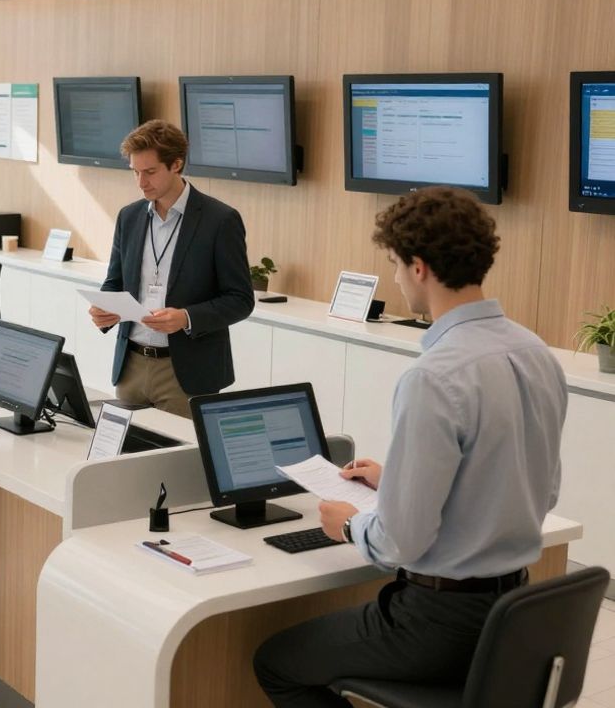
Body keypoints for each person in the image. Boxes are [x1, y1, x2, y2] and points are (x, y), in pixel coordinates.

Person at [253, 187, 567, 707]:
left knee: (277, 662)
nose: (396, 279)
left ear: (419, 267)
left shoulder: (435, 376)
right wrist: (396, 477)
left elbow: (403, 539)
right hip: (513, 612)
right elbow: (541, 490)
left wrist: (347, 524)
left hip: (438, 624)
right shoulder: (535, 352)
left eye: (396, 266)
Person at [88, 120, 253, 419]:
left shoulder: (220, 220)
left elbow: (241, 299)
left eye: (150, 172)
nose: (141, 182)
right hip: (131, 367)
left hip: (187, 373)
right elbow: (115, 282)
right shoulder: (129, 217)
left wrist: (186, 318)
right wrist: (104, 309)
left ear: (176, 164)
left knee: (177, 464)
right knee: (124, 463)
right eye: (135, 172)